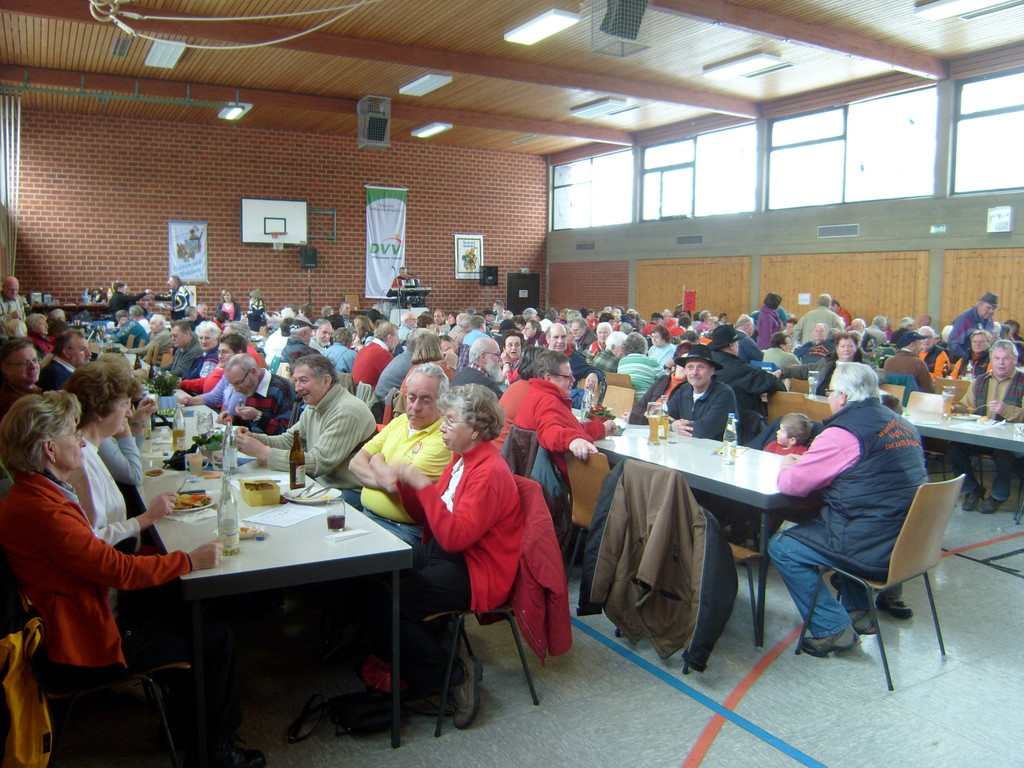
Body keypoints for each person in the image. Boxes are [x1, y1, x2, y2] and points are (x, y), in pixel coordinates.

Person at [0, 392, 265, 768]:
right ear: (49, 449)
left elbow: (98, 560)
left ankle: (184, 723)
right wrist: (188, 560)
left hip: (80, 612)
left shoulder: (32, 493)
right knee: (211, 634)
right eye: (71, 434)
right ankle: (215, 753)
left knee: (185, 605)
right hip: (79, 644)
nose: (80, 442)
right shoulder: (44, 511)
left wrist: (169, 560)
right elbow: (116, 569)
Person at [355, 383, 523, 728]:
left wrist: (421, 484)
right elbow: (428, 518)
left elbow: (455, 536)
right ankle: (411, 659)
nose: (442, 427)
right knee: (372, 580)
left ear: (475, 430)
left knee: (391, 604)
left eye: (450, 420)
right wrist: (407, 485)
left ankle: (453, 673)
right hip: (445, 553)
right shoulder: (461, 460)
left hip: (474, 569)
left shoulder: (488, 472)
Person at [768, 363, 926, 656]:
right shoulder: (903, 424)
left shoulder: (843, 433)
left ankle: (832, 628)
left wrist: (788, 464)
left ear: (841, 395)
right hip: (910, 540)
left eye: (829, 391)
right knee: (841, 518)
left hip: (872, 543)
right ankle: (859, 611)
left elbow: (792, 485)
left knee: (783, 546)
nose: (829, 396)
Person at [64, 359, 174, 547]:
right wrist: (148, 517)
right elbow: (94, 540)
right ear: (100, 411)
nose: (129, 413)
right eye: (124, 405)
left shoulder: (89, 449)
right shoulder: (81, 461)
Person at [347, 364, 453, 544]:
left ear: (442, 403)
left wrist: (376, 459)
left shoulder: (443, 438)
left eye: (426, 400)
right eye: (411, 398)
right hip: (366, 516)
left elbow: (394, 485)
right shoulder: (401, 421)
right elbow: (355, 463)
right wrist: (385, 477)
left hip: (403, 530)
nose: (415, 407)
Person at [235, 354, 375, 489]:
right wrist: (253, 439)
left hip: (349, 490)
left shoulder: (346, 411)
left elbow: (318, 463)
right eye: (296, 381)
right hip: (322, 482)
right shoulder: (315, 404)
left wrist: (264, 452)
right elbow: (289, 441)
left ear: (326, 381)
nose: (297, 388)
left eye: (303, 380)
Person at [948, 339, 1024, 514]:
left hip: (1012, 439)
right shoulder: (979, 381)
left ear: (1015, 360)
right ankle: (972, 489)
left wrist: (1006, 410)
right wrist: (953, 408)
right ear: (991, 359)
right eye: (997, 358)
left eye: (1006, 358)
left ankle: (998, 495)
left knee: (1004, 453)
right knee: (953, 448)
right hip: (982, 435)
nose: (1001, 363)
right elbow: (967, 406)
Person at [512, 349, 615, 473]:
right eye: (568, 377)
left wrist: (602, 429)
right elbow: (549, 431)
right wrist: (572, 440)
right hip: (571, 476)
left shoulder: (534, 395)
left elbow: (573, 429)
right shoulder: (547, 401)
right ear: (548, 378)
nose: (573, 380)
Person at [710, 325, 785, 418]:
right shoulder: (739, 369)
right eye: (737, 343)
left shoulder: (708, 364)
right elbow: (773, 382)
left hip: (715, 417)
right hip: (742, 420)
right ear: (732, 346)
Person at [664, 345, 738, 439]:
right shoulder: (684, 389)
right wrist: (672, 425)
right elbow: (662, 416)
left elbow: (703, 430)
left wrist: (674, 426)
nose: (695, 372)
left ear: (711, 371)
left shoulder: (724, 394)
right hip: (686, 445)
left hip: (714, 447)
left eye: (700, 367)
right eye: (690, 367)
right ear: (685, 371)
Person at [220, 354, 293, 435]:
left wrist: (258, 416)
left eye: (238, 383)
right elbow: (250, 426)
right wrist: (233, 419)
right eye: (233, 385)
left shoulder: (281, 389)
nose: (237, 390)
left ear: (253, 372)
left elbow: (286, 434)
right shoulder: (251, 387)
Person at [782, 331, 863, 396]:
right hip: (820, 402)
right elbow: (809, 369)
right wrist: (783, 371)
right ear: (837, 349)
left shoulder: (863, 369)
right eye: (842, 346)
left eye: (850, 346)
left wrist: (836, 394)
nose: (846, 349)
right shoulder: (828, 361)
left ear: (856, 348)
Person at [180, 330, 247, 400]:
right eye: (219, 352)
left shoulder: (241, 377)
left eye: (224, 352)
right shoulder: (224, 365)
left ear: (239, 353)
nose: (220, 356)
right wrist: (182, 385)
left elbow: (220, 401)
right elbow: (210, 388)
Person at [948, 291, 998, 363]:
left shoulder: (990, 320)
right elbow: (953, 343)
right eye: (988, 308)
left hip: (983, 362)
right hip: (965, 362)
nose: (991, 311)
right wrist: (967, 359)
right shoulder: (965, 319)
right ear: (979, 305)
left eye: (994, 309)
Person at [0, 338, 42, 420]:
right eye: (24, 363)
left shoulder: (32, 391)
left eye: (35, 360)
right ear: (6, 368)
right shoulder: (13, 405)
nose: (33, 366)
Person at [617, 332, 666, 402]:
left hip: (625, 401)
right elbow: (667, 380)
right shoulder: (651, 362)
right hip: (645, 401)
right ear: (644, 346)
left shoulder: (622, 362)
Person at [882, 330, 934, 395]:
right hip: (913, 400)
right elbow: (929, 390)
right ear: (912, 345)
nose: (921, 348)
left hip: (891, 399)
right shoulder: (918, 363)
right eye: (920, 344)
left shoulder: (888, 362)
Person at [352, 321, 399, 390]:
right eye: (397, 338)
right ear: (389, 337)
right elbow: (393, 380)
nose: (397, 342)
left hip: (357, 392)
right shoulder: (383, 354)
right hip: (370, 394)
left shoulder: (364, 349)